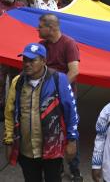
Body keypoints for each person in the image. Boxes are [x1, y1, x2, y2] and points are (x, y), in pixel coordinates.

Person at [3, 43, 79, 182]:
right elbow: (9, 114)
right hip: (26, 151)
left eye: (32, 60)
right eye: (25, 60)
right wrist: (8, 142)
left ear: (44, 61)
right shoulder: (17, 82)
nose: (27, 64)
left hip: (52, 150)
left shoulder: (58, 79)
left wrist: (72, 140)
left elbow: (71, 111)